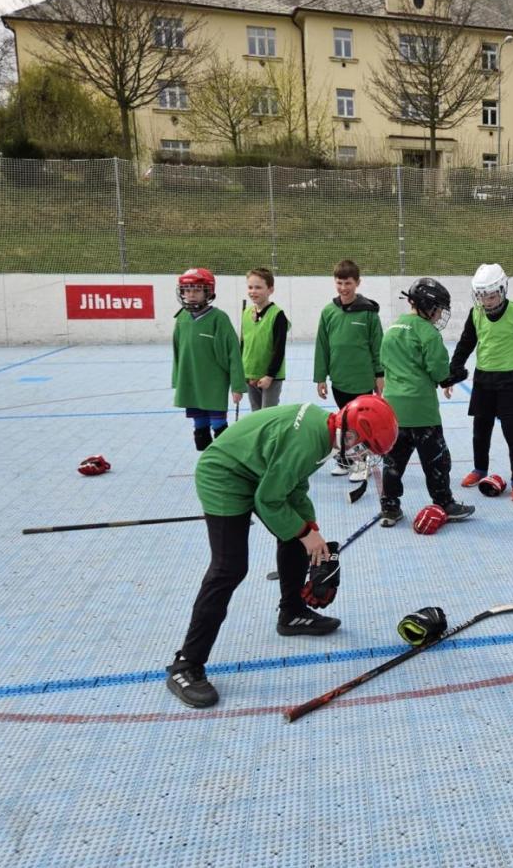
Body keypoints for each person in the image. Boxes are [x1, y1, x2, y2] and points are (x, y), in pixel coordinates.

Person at [165, 394, 399, 708]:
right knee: (229, 568)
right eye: (365, 448)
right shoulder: (308, 440)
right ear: (353, 434)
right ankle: (186, 664)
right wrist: (305, 533)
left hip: (255, 475)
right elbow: (270, 499)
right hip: (224, 477)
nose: (363, 456)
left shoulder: (323, 431)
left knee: (296, 537)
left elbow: (294, 486)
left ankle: (291, 613)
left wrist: (310, 528)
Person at [378, 277, 474, 527]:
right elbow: (440, 374)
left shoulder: (393, 329)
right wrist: (457, 374)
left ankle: (390, 507)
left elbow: (385, 364)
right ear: (427, 306)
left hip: (393, 410)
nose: (440, 314)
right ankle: (444, 502)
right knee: (437, 460)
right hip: (422, 410)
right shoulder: (428, 334)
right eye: (439, 308)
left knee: (393, 461)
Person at [447, 263, 513, 502]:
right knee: (480, 432)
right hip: (483, 380)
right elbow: (465, 344)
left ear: (501, 290)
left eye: (490, 295)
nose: (486, 301)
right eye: (481, 296)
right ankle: (479, 469)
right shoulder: (475, 313)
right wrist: (453, 372)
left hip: (510, 381)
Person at [313, 259, 385, 478]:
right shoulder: (328, 312)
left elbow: (378, 346)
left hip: (362, 381)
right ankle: (345, 460)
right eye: (339, 283)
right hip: (339, 380)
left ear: (357, 283)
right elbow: (322, 346)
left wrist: (379, 375)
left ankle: (361, 464)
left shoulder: (369, 312)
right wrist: (321, 378)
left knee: (360, 426)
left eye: (348, 283)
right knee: (342, 423)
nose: (343, 288)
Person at [172, 267, 244, 451]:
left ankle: (226, 460)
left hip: (214, 384)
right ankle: (206, 462)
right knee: (200, 427)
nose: (191, 295)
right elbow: (177, 351)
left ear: (208, 292)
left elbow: (233, 354)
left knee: (218, 425)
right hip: (191, 384)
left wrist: (237, 386)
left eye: (197, 290)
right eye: (187, 290)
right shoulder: (181, 319)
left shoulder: (219, 319)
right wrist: (177, 380)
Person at [241, 267, 290, 411]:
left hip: (270, 377)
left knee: (268, 415)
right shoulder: (246, 313)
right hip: (250, 373)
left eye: (258, 287)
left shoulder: (278, 315)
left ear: (270, 289)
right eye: (250, 287)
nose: (253, 291)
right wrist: (241, 372)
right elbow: (243, 345)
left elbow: (279, 349)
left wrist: (269, 375)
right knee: (256, 415)